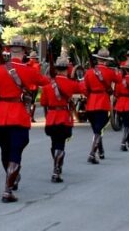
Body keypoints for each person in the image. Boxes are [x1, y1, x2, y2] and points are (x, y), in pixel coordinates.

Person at [0, 36, 44, 202]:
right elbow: (45, 82)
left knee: (5, 151)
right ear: (25, 52)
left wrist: (5, 101)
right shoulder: (30, 71)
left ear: (8, 50)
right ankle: (7, 190)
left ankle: (12, 178)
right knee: (15, 152)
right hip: (19, 115)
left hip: (1, 116)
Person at [38, 55, 84, 183]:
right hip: (64, 117)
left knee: (54, 144)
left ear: (56, 69)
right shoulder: (71, 83)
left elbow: (43, 103)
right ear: (67, 69)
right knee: (61, 145)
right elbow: (82, 88)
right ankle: (56, 169)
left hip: (52, 117)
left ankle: (57, 165)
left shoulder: (48, 85)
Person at [83, 48, 118, 164]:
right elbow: (118, 79)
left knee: (96, 130)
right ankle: (92, 153)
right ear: (106, 61)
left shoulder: (89, 72)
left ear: (98, 59)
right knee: (99, 130)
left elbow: (85, 88)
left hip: (91, 104)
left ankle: (101, 151)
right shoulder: (109, 72)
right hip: (103, 103)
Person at [26, 49, 42, 122]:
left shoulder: (26, 64)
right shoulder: (37, 65)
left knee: (27, 101)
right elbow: (38, 76)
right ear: (35, 58)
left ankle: (27, 116)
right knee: (33, 102)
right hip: (34, 86)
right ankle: (31, 117)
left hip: (27, 86)